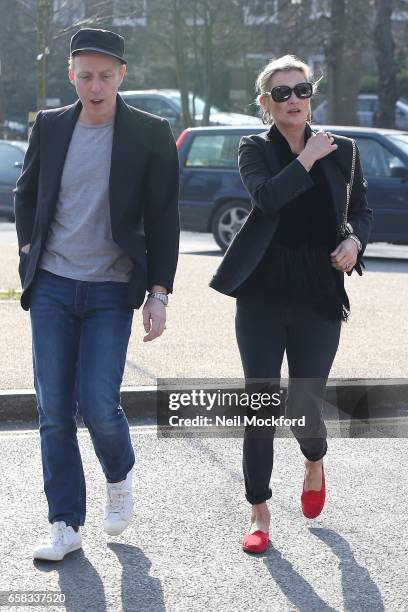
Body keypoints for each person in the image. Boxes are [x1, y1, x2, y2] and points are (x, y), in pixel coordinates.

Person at [14, 28, 180, 561]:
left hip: (112, 287)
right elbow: (27, 192)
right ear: (71, 75)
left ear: (122, 75)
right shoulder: (53, 126)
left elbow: (163, 218)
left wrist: (159, 293)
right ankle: (64, 522)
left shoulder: (150, 132)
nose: (95, 85)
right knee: (54, 411)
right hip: (54, 287)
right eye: (85, 75)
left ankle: (120, 472)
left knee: (99, 403)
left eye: (105, 76)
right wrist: (27, 255)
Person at [209, 55, 372, 554]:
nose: (294, 100)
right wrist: (305, 159)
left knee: (304, 403)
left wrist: (356, 244)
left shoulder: (342, 149)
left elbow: (361, 211)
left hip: (319, 291)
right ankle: (259, 512)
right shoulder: (253, 149)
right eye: (281, 94)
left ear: (311, 95)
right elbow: (267, 199)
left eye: (301, 90)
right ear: (266, 103)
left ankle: (314, 457)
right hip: (261, 290)